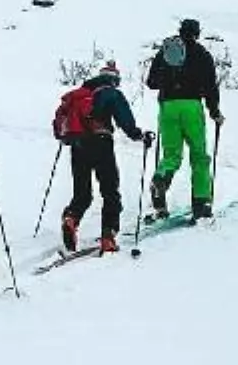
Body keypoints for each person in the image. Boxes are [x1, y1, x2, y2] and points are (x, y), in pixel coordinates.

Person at [55, 59, 153, 254]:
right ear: (114, 80)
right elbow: (125, 121)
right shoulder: (111, 93)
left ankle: (71, 218)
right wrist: (139, 135)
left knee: (82, 192)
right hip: (101, 143)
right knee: (110, 191)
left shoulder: (78, 95)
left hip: (78, 145)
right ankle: (108, 237)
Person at [147, 17, 223, 220]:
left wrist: (169, 81)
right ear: (197, 33)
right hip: (191, 106)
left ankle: (160, 179)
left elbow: (151, 82)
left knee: (171, 154)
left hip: (168, 107)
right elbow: (210, 86)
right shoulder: (202, 54)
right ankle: (201, 203)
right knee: (199, 155)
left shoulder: (166, 52)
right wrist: (214, 111)